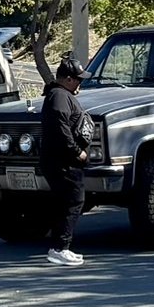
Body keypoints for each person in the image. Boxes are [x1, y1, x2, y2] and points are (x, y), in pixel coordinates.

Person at [38, 55, 94, 267]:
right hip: (63, 161)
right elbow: (60, 130)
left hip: (61, 160)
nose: (80, 83)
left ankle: (59, 247)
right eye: (78, 79)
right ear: (69, 79)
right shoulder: (59, 97)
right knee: (73, 201)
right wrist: (77, 152)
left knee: (65, 202)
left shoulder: (60, 95)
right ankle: (60, 248)